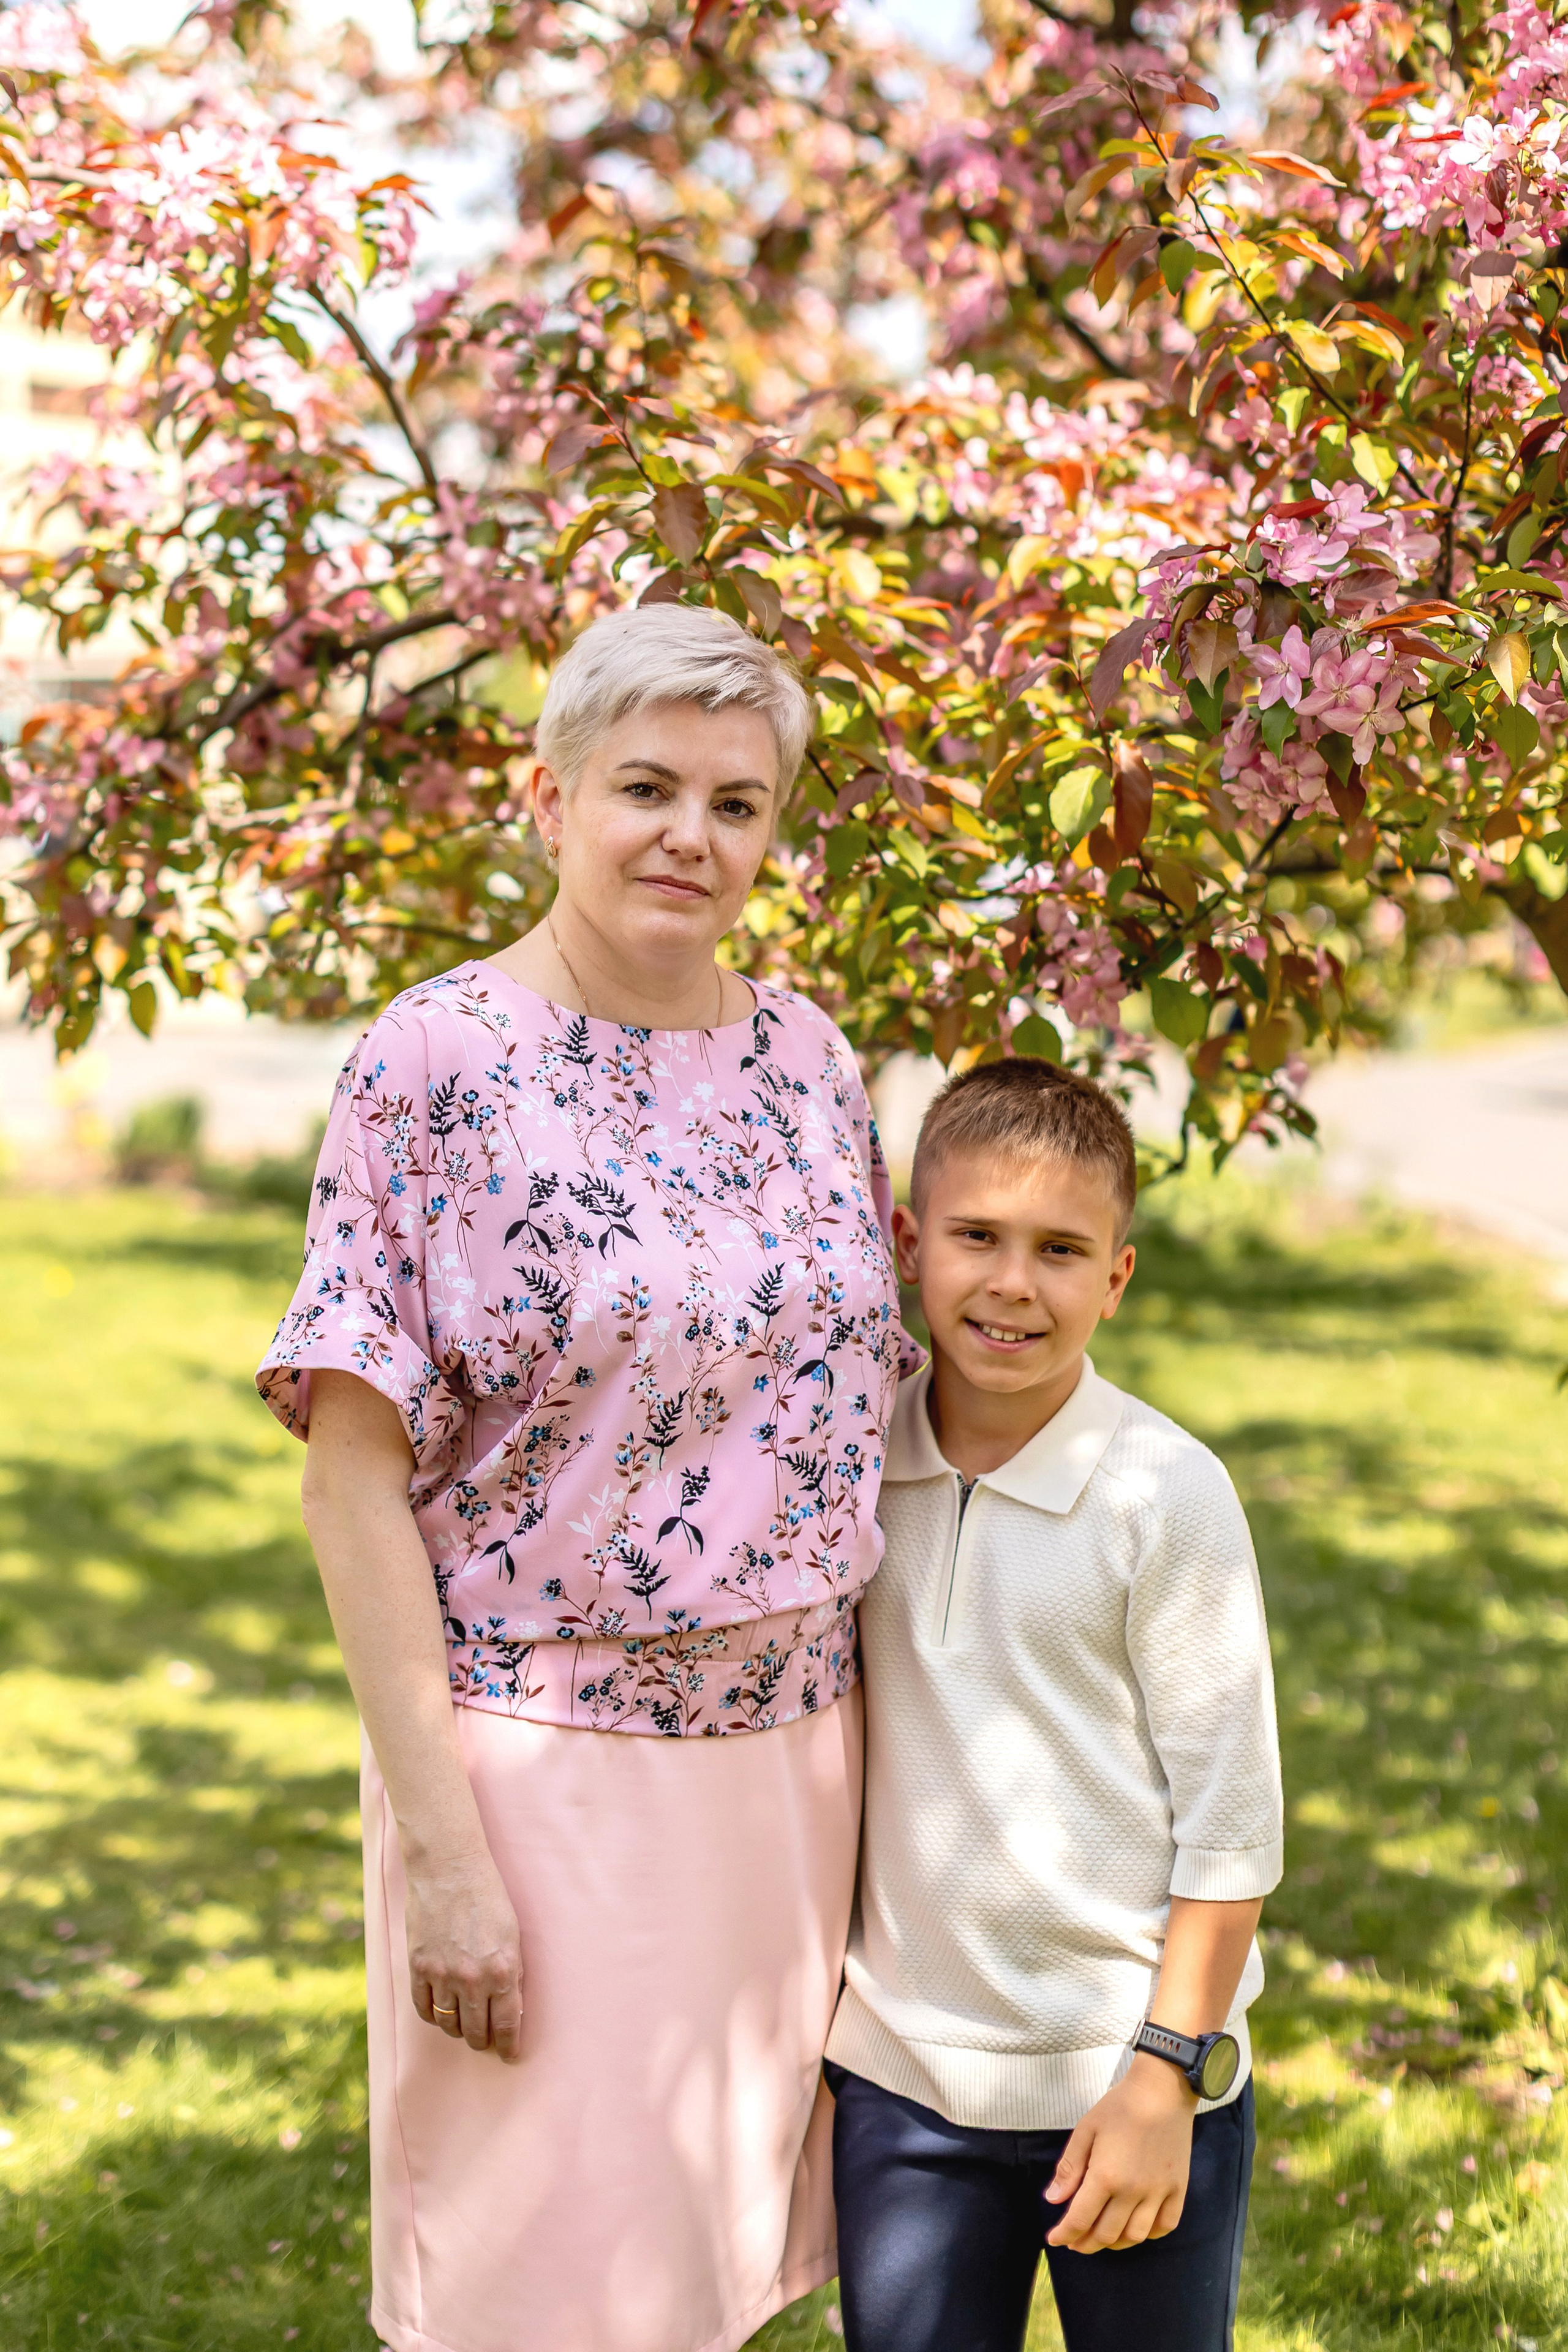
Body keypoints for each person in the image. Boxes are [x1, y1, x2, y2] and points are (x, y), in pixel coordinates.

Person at [255, 605, 908, 2352]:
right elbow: (350, 1481)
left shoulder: (813, 1061)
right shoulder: (432, 1063)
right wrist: (449, 1857)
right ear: (547, 800)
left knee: (708, 2270)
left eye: (740, 802)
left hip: (790, 1768)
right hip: (543, 1781)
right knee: (532, 2286)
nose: (690, 835)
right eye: (645, 788)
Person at [824, 1058, 1283, 2352]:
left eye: (1060, 1249)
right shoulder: (849, 1467)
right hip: (906, 2085)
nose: (1012, 1283)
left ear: (1115, 1280)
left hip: (1131, 2081)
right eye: (975, 1236)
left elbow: (1231, 1828)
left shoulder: (1163, 1496)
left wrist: (1161, 2076)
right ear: (908, 1244)